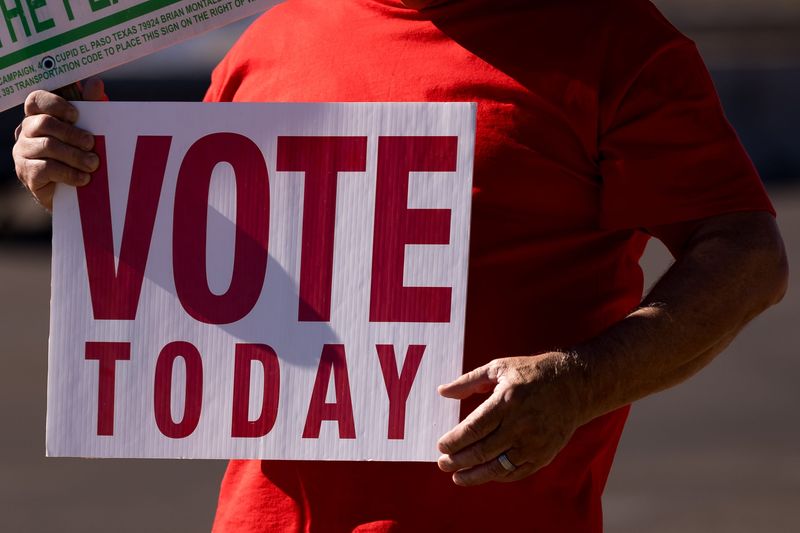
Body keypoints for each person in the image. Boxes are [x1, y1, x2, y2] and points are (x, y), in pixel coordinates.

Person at [12, 0, 788, 531]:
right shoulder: (276, 36)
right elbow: (215, 277)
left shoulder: (612, 40)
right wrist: (87, 181)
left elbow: (746, 254)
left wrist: (585, 377)